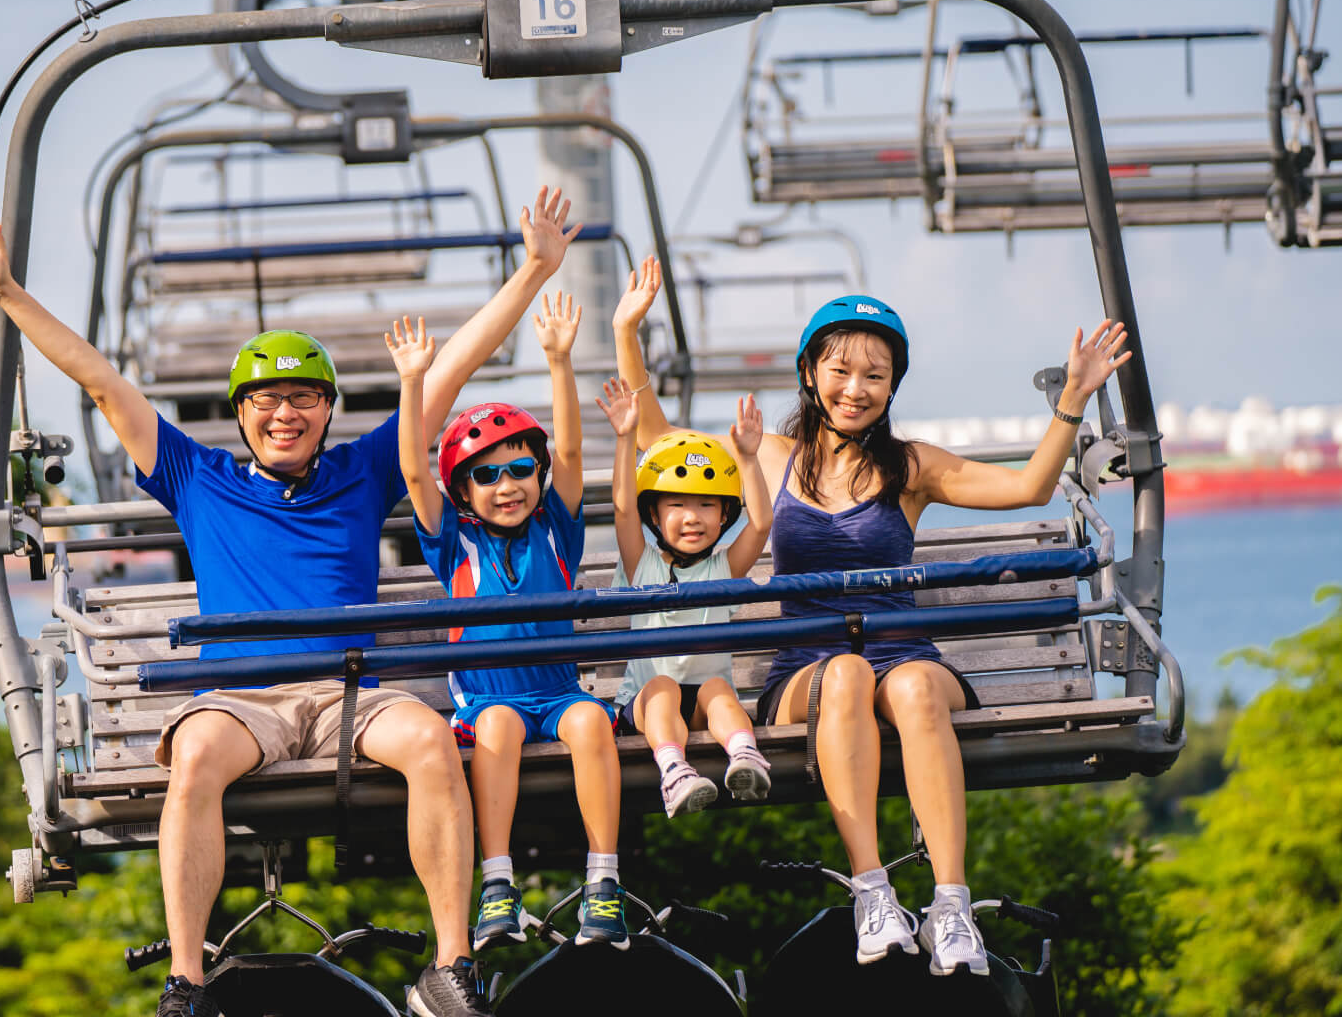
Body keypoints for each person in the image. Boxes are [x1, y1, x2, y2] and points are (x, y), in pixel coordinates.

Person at [0, 187, 585, 1017]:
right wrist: (5, 292)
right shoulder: (195, 477)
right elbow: (102, 382)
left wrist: (534, 270)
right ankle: (186, 978)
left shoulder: (363, 470)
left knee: (430, 740)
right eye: (267, 403)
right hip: (245, 698)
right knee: (197, 759)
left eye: (303, 400)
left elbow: (453, 366)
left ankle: (450, 966)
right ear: (243, 414)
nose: (285, 416)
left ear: (327, 411)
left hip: (350, 691)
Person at [615, 259, 1130, 977]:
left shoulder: (909, 468)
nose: (855, 390)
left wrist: (1072, 400)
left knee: (916, 690)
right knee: (848, 674)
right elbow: (653, 437)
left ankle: (951, 904)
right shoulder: (768, 457)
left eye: (874, 376)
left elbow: (1026, 486)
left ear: (892, 387)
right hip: (805, 667)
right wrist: (627, 332)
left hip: (907, 656)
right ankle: (873, 891)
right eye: (840, 371)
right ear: (810, 373)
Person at [386, 294, 628, 953]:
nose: (507, 485)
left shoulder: (557, 531)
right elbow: (411, 469)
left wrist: (558, 360)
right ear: (463, 493)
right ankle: (498, 882)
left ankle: (603, 880)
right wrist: (413, 382)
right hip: (492, 700)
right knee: (495, 728)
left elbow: (573, 454)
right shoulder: (453, 542)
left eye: (521, 468)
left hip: (558, 691)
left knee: (587, 721)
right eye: (487, 476)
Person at [593, 340, 773, 818]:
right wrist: (624, 440)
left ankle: (745, 756)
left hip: (702, 705)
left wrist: (749, 460)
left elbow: (760, 525)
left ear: (723, 514)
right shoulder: (643, 565)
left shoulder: (724, 570)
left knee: (717, 688)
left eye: (706, 505)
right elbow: (621, 507)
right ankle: (673, 770)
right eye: (677, 504)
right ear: (654, 513)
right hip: (645, 705)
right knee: (665, 689)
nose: (692, 517)